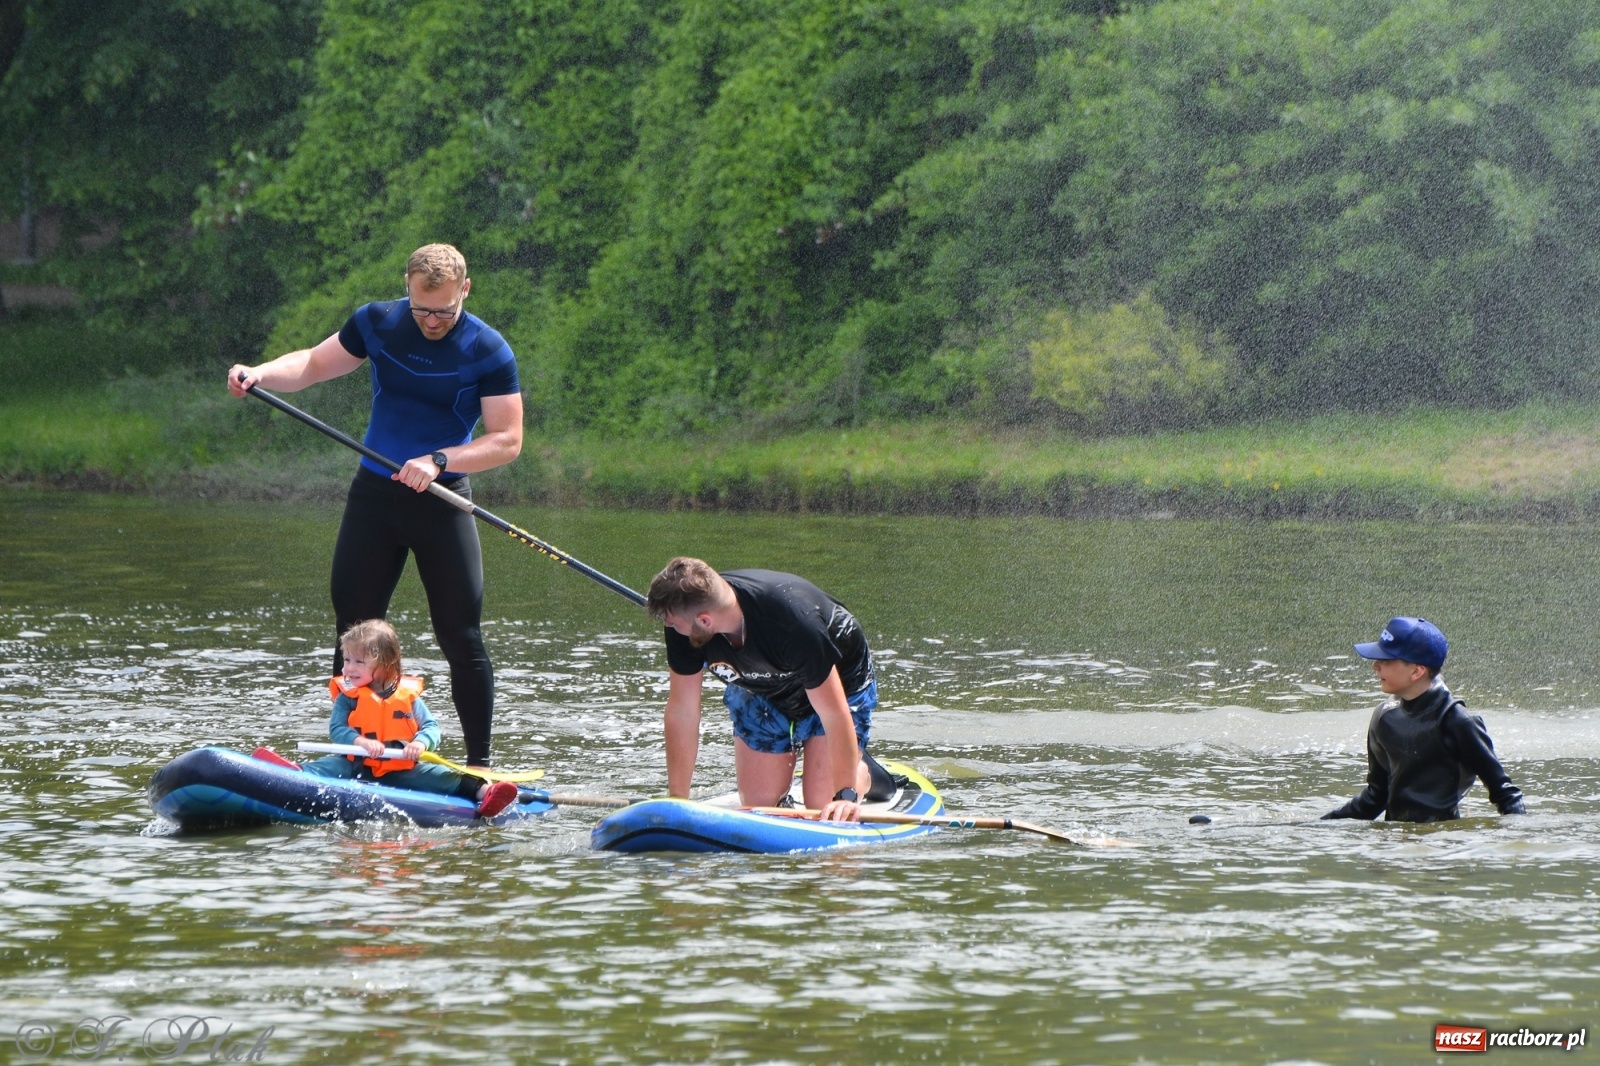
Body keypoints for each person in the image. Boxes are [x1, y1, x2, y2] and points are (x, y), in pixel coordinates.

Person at [228, 243, 521, 767]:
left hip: (441, 499)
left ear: (465, 290)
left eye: (445, 311)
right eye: (422, 309)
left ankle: (479, 768)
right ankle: (351, 755)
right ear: (407, 287)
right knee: (354, 631)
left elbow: (507, 440)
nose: (432, 321)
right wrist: (261, 373)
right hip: (375, 498)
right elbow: (312, 364)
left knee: (461, 637)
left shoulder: (487, 349)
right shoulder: (379, 322)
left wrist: (439, 459)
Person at [645, 557, 900, 823]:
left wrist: (845, 794)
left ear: (705, 621)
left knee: (822, 805)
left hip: (836, 680)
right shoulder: (684, 624)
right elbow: (683, 710)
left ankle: (861, 772)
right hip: (761, 685)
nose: (669, 627)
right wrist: (678, 799)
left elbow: (834, 713)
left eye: (672, 623)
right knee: (760, 804)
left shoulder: (793, 623)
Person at [298, 620, 519, 818]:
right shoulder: (348, 697)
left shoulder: (408, 697)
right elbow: (337, 729)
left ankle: (487, 793)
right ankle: (290, 774)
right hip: (354, 765)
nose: (348, 668)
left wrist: (419, 743)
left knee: (443, 776)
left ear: (385, 663)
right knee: (324, 766)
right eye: (347, 660)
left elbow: (431, 727)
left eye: (358, 661)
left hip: (401, 770)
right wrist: (361, 742)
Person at [1323, 616, 1525, 822]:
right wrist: (1317, 827)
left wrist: (1520, 836)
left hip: (1444, 840)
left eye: (1386, 660)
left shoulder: (1457, 721)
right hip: (1394, 841)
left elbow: (1506, 795)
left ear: (1416, 671)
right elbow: (1375, 797)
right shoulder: (1384, 717)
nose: (1375, 665)